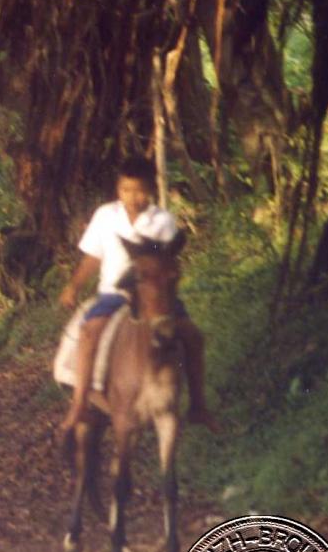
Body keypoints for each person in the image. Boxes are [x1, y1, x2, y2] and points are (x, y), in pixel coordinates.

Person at [57, 157, 216, 435]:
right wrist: (74, 286)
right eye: (126, 190)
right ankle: (80, 403)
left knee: (192, 335)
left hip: (155, 295)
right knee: (89, 332)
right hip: (113, 293)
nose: (133, 197)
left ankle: (198, 406)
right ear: (118, 190)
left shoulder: (163, 221)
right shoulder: (105, 216)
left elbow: (168, 260)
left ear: (152, 189)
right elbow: (93, 257)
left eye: (140, 190)